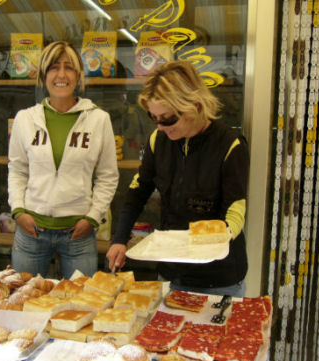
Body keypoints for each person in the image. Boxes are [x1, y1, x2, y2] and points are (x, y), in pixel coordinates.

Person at [106, 61, 249, 297]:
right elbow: (137, 192)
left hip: (219, 279)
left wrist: (209, 246)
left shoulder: (230, 144)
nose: (161, 127)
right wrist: (119, 239)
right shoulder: (158, 141)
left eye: (167, 119)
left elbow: (235, 211)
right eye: (154, 118)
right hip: (171, 274)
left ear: (194, 106)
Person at [8, 41, 119, 279]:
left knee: (81, 306)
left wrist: (93, 217)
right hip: (31, 231)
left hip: (78, 235)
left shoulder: (99, 119)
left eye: (68, 68)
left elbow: (108, 175)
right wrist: (18, 211)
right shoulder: (25, 119)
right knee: (25, 303)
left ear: (78, 76)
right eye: (53, 68)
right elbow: (17, 169)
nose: (61, 75)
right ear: (43, 76)